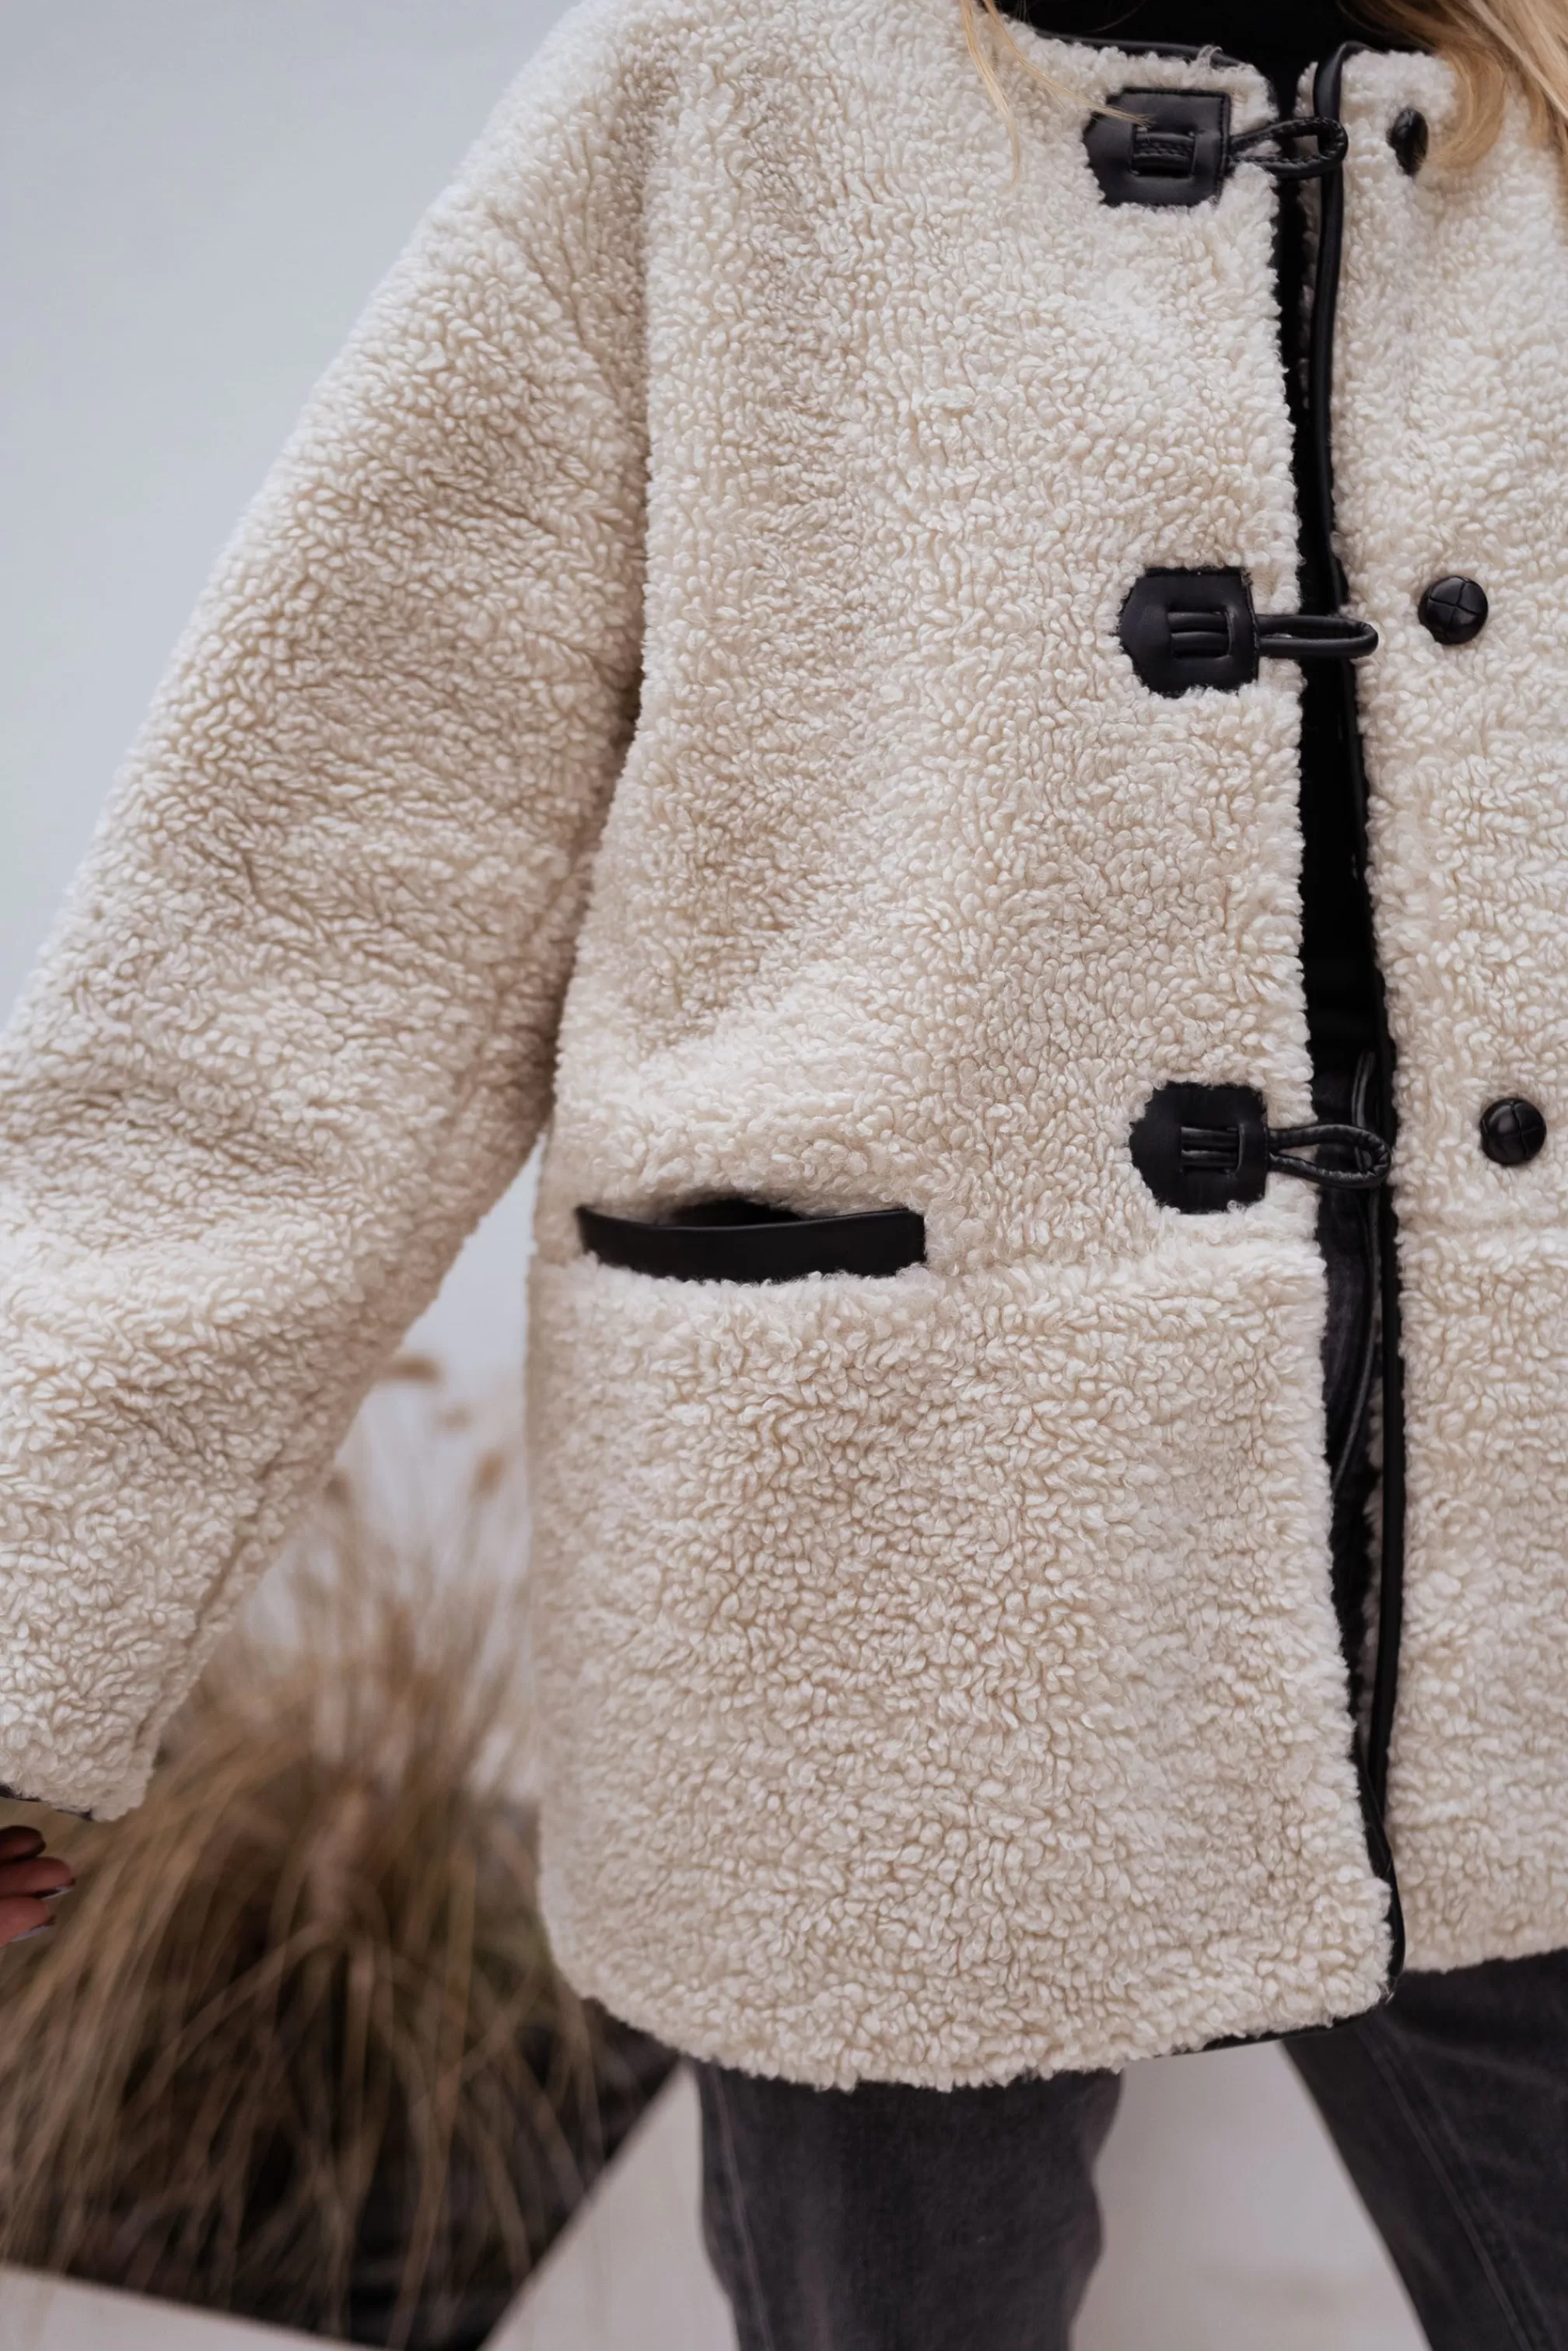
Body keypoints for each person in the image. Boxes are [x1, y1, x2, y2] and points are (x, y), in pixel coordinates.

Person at [2, 0, 1566, 2339]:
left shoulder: (1537, 128)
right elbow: (322, 895)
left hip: (1518, 1555)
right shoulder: (719, 84)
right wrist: (29, 1602)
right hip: (884, 1555)